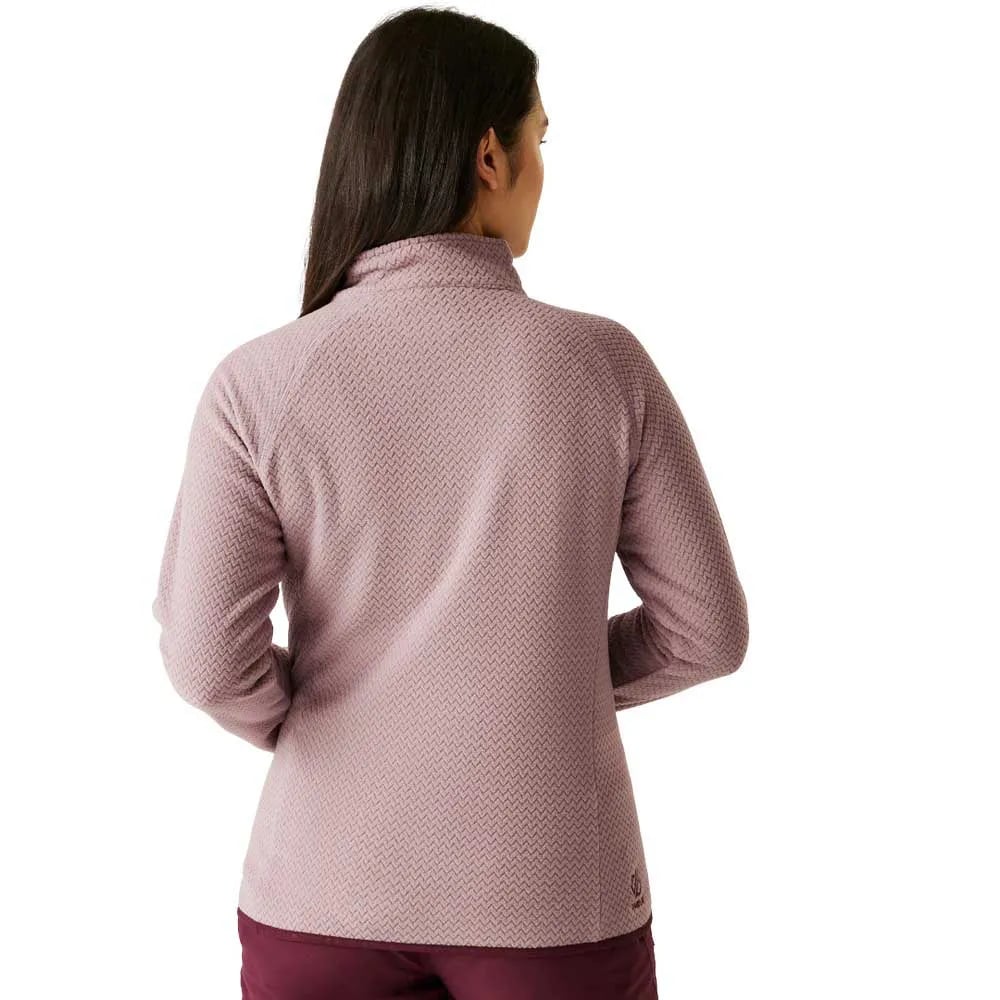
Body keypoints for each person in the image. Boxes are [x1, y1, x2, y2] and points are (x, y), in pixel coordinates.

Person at [151, 7, 749, 999]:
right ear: (489, 157)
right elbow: (708, 633)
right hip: (549, 890)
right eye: (539, 139)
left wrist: (347, 708)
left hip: (320, 891)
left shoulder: (257, 383)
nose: (543, 169)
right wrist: (538, 679)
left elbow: (208, 662)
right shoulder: (601, 364)